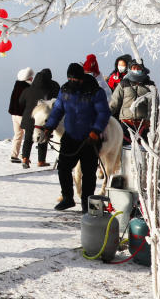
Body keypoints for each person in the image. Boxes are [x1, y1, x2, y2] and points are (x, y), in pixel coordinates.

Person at [41, 63, 111, 213]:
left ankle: (87, 202)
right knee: (63, 168)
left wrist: (96, 131)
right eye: (70, 78)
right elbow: (58, 110)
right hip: (71, 136)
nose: (72, 80)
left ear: (82, 78)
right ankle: (67, 198)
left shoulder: (95, 92)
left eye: (75, 78)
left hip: (90, 139)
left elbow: (104, 113)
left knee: (88, 172)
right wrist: (49, 127)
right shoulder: (65, 90)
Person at [19, 68, 60, 168]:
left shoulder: (28, 90)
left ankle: (25, 159)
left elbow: (21, 102)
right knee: (43, 139)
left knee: (28, 139)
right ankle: (41, 161)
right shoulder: (52, 89)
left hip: (29, 118)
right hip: (42, 119)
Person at [110, 62, 153, 144]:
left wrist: (150, 120)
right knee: (124, 149)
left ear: (142, 69)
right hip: (126, 122)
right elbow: (114, 103)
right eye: (134, 68)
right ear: (130, 69)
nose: (136, 70)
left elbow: (153, 105)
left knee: (143, 150)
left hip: (143, 124)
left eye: (138, 68)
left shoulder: (149, 85)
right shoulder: (123, 84)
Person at [8, 68, 34, 163]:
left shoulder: (17, 86)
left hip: (14, 114)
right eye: (31, 77)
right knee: (28, 136)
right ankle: (25, 155)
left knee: (18, 135)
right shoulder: (28, 88)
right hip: (23, 115)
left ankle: (14, 155)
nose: (32, 78)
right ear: (28, 78)